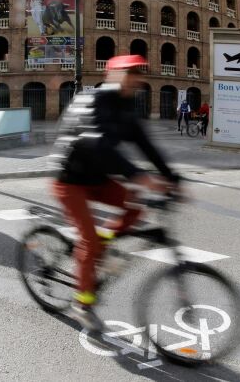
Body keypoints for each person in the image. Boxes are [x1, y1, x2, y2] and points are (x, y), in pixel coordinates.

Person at [50, 54, 180, 332]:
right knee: (88, 241)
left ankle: (102, 243)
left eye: (137, 74)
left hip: (98, 179)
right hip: (69, 180)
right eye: (129, 73)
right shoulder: (92, 101)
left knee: (136, 206)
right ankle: (82, 305)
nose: (135, 79)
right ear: (112, 75)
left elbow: (146, 144)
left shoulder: (125, 108)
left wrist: (172, 178)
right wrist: (138, 175)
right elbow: (95, 144)